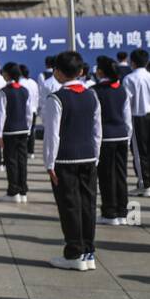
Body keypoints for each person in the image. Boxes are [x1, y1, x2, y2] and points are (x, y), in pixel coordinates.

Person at [41, 50, 102, 271]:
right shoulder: (91, 95)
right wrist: (95, 155)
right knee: (88, 204)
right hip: (88, 156)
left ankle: (74, 252)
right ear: (81, 71)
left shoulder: (56, 98)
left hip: (65, 159)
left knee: (69, 206)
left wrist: (50, 163)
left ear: (57, 72)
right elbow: (97, 129)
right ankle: (88, 251)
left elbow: (52, 134)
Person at [92, 57, 134, 226]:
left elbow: (94, 119)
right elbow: (127, 118)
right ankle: (122, 212)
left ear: (101, 72)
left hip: (105, 137)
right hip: (121, 136)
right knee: (121, 175)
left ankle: (109, 212)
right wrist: (128, 137)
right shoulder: (122, 90)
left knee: (106, 176)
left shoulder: (95, 90)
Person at [123, 49, 150, 196]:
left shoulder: (129, 79)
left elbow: (127, 103)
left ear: (132, 62)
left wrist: (127, 125)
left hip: (138, 117)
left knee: (140, 154)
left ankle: (144, 184)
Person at [0, 64, 32, 202]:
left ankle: (13, 191)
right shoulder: (24, 90)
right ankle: (23, 191)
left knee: (11, 161)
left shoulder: (4, 92)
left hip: (9, 130)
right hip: (23, 129)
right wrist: (27, 128)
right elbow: (29, 113)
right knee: (22, 161)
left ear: (7, 75)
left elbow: (1, 114)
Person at [16, 62, 40, 157]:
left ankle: (24, 150)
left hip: (22, 110)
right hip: (33, 109)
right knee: (32, 130)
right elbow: (37, 96)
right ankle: (31, 151)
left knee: (23, 132)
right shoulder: (33, 82)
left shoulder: (20, 83)